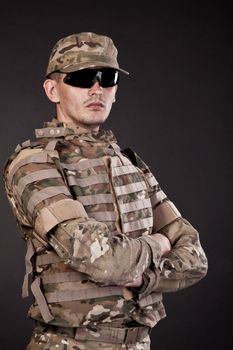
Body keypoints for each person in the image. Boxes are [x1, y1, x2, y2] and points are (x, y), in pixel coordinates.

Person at [3, 32, 208, 350]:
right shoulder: (35, 163)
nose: (96, 88)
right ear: (52, 89)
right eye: (82, 78)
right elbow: (106, 262)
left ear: (115, 90)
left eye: (107, 77)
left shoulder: (130, 164)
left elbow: (196, 256)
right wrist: (159, 242)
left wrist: (144, 277)